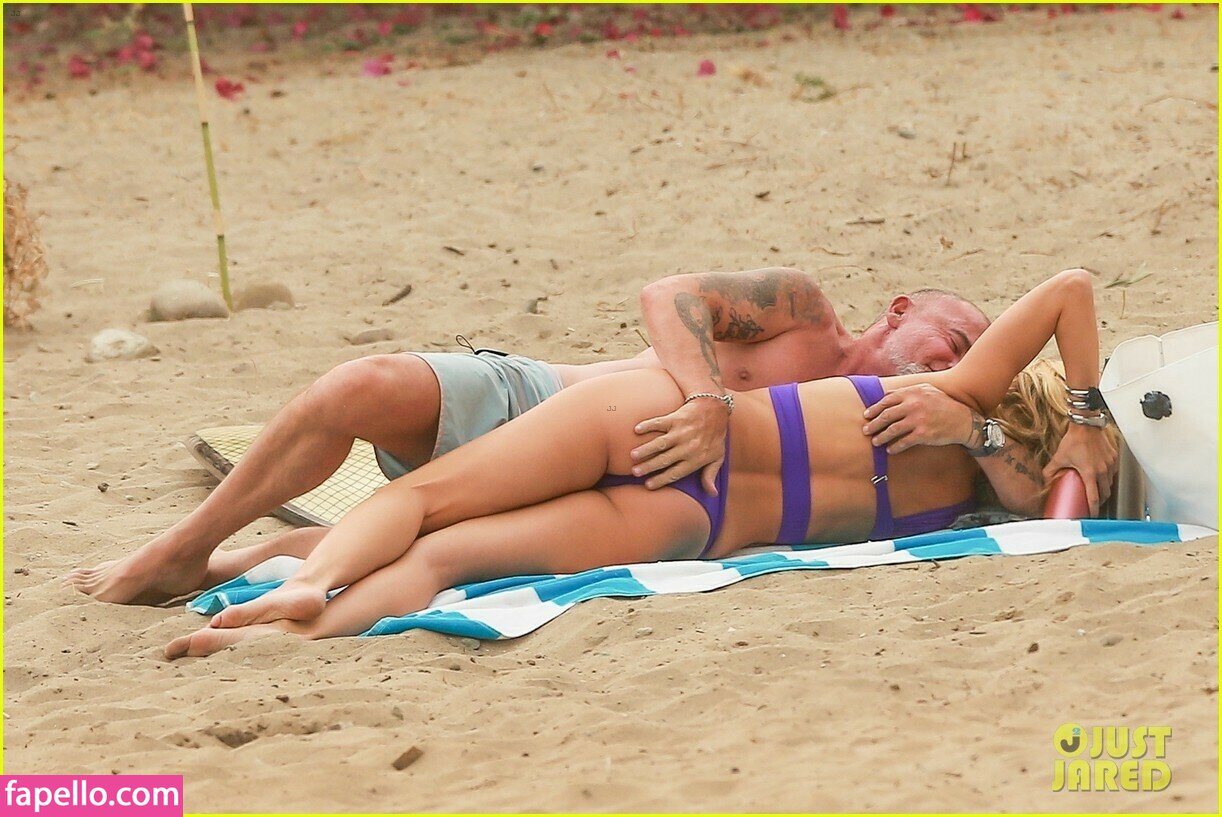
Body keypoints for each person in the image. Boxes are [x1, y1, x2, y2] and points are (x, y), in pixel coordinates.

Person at [156, 268, 1120, 659]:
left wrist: (1083, 406)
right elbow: (1052, 511)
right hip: (697, 523)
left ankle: (309, 580)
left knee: (429, 502)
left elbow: (1070, 288)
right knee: (447, 555)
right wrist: (1046, 446)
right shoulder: (987, 488)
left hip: (648, 424)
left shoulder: (960, 395)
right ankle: (290, 635)